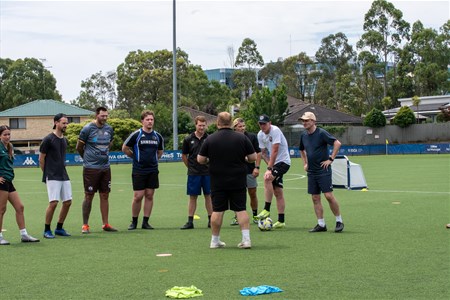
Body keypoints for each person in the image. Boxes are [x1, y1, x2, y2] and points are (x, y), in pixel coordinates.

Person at [198, 112, 256, 249]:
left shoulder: (210, 139)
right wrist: (245, 159)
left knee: (217, 210)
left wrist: (210, 160)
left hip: (218, 180)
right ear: (231, 123)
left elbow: (200, 159)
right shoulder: (241, 138)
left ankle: (215, 241)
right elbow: (253, 157)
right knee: (241, 209)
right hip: (238, 179)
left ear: (217, 123)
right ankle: (246, 240)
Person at [299, 112, 344, 233]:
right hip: (312, 171)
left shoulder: (321, 133)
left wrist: (330, 159)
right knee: (315, 197)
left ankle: (339, 221)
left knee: (328, 196)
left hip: (323, 170)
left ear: (313, 121)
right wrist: (305, 163)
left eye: (306, 120)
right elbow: (301, 150)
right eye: (303, 121)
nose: (304, 123)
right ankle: (321, 224)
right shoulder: (303, 136)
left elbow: (337, 143)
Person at [76, 106, 117, 233]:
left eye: (106, 116)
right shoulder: (87, 129)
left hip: (105, 167)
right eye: (102, 116)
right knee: (89, 195)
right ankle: (85, 225)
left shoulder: (109, 129)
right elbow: (79, 147)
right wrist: (87, 159)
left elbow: (110, 143)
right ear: (96, 115)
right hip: (91, 168)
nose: (104, 118)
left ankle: (105, 224)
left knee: (105, 195)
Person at [122, 110, 164, 230]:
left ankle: (146, 222)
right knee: (138, 196)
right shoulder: (136, 135)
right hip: (139, 170)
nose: (150, 121)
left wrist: (154, 159)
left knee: (150, 195)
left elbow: (160, 151)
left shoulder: (157, 136)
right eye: (147, 119)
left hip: (153, 170)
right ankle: (134, 221)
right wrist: (135, 157)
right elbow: (125, 148)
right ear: (142, 121)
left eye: (152, 119)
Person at [0, 125, 40, 245]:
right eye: (5, 134)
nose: (7, 137)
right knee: (1, 209)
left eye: (9, 134)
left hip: (9, 181)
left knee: (20, 207)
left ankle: (24, 235)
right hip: (2, 181)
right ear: (0, 135)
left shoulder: (10, 147)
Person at [39, 113, 72, 239]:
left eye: (66, 123)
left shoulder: (64, 140)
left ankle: (59, 228)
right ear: (56, 123)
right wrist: (46, 174)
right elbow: (41, 159)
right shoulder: (48, 139)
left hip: (63, 174)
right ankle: (47, 229)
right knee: (53, 203)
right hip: (52, 175)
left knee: (68, 202)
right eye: (63, 123)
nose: (65, 125)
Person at [256, 114, 291, 229]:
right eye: (260, 124)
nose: (262, 126)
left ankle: (266, 209)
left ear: (269, 123)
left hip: (284, 162)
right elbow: (264, 153)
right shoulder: (260, 135)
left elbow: (274, 151)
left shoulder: (275, 130)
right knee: (278, 192)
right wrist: (270, 165)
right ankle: (281, 220)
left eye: (264, 123)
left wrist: (269, 169)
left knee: (267, 179)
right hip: (275, 163)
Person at [180, 116, 212, 230]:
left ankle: (211, 220)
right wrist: (190, 166)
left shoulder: (209, 138)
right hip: (193, 173)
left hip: (207, 172)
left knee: (208, 196)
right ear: (195, 125)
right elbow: (184, 155)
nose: (202, 127)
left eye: (204, 125)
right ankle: (190, 221)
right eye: (200, 125)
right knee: (193, 197)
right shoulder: (188, 139)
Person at [230, 118, 261, 225]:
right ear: (235, 127)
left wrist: (257, 167)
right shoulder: (230, 137)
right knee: (236, 195)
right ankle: (236, 216)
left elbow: (258, 153)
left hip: (250, 170)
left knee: (252, 193)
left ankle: (255, 215)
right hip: (235, 171)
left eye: (243, 126)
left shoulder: (252, 136)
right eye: (240, 126)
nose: (242, 128)